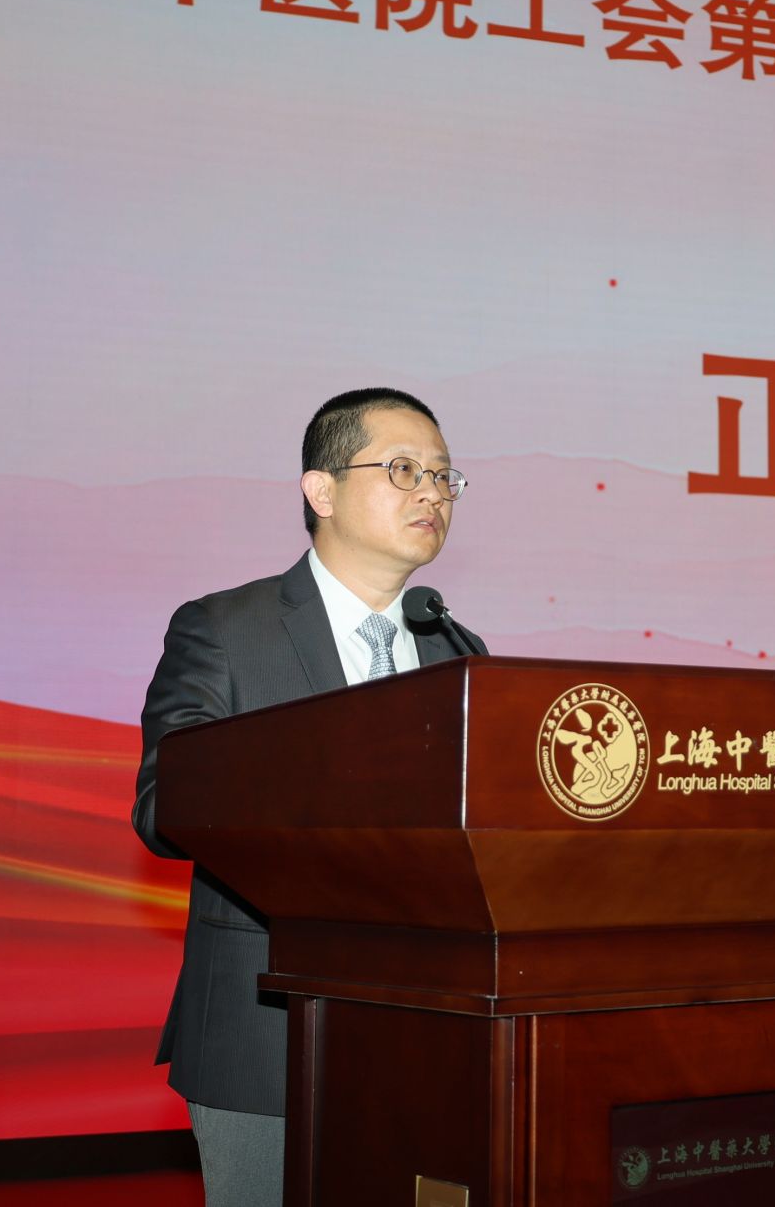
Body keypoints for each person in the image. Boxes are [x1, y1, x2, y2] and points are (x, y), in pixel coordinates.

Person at [132, 388, 485, 1207]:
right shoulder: (225, 629)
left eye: (443, 476)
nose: (432, 493)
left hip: (426, 1033)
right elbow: (162, 806)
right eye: (403, 470)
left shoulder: (455, 651)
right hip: (265, 1030)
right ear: (321, 491)